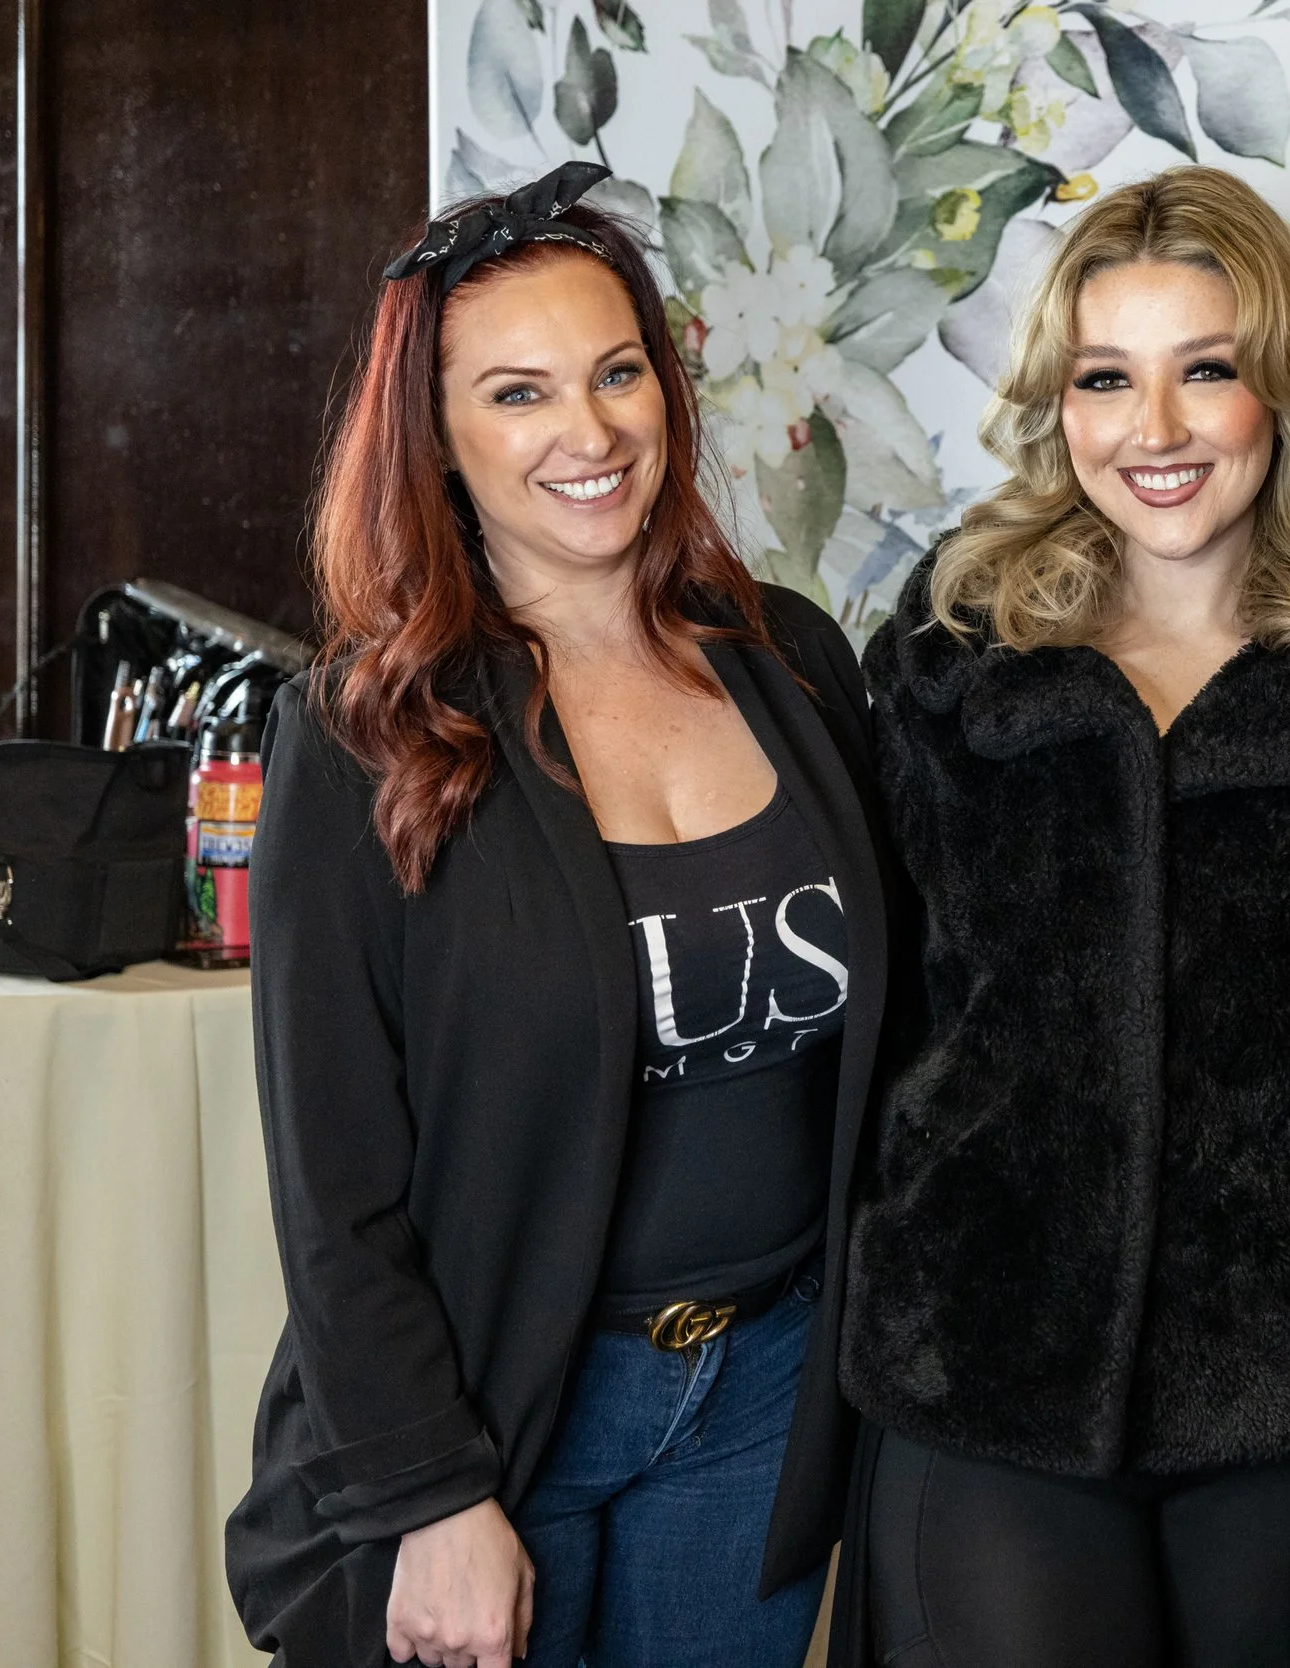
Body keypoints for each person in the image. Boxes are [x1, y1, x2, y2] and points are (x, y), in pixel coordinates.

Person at [225, 162, 895, 1668]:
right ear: (438, 438)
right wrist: (432, 1497)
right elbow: (333, 1185)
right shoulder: (364, 736)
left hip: (767, 1394)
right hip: (505, 1417)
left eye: (617, 374)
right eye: (518, 394)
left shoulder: (792, 661)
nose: (588, 433)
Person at [833, 166, 1290, 1668]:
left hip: (1287, 1388)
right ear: (1057, 405)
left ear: (1280, 388)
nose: (1155, 430)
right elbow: (883, 1008)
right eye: (1105, 379)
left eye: (1206, 370)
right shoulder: (953, 652)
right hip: (981, 1373)